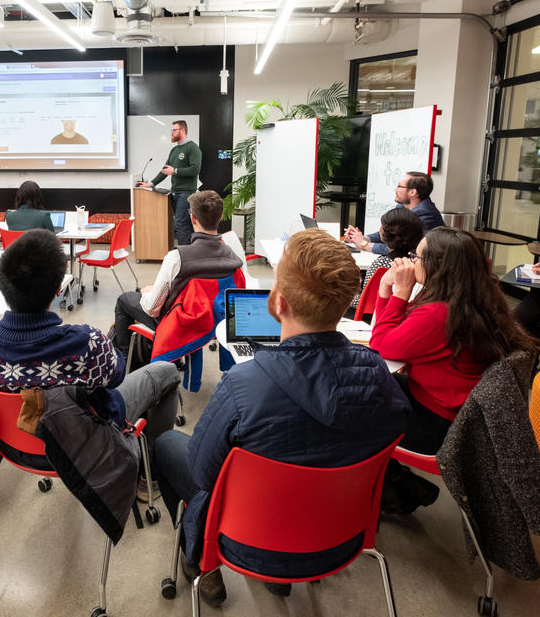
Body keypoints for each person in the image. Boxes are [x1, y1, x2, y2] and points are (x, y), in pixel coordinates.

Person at [148, 229, 409, 605]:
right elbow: (393, 433)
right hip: (338, 539)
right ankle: (274, 579)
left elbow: (204, 474)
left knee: (168, 444)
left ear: (278, 303)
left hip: (247, 543)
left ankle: (199, 561)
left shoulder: (244, 384)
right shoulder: (380, 377)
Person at [0, 229, 181, 476]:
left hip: (13, 447)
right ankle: (148, 474)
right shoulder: (85, 343)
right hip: (83, 446)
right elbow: (118, 375)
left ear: (2, 284)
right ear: (59, 289)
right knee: (166, 372)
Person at [369, 226, 540, 515]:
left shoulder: (439, 314)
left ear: (438, 267)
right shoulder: (475, 299)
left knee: (348, 409)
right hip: (457, 414)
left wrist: (395, 291)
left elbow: (382, 345)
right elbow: (401, 332)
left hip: (437, 425)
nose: (411, 263)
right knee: (363, 390)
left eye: (416, 257)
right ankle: (399, 485)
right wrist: (395, 293)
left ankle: (394, 490)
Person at [111, 190, 243, 357]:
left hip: (180, 324)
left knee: (124, 300)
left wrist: (146, 294)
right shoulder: (232, 256)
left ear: (192, 218)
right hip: (214, 321)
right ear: (220, 216)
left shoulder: (176, 258)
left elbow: (152, 309)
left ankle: (123, 358)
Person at [347, 206, 423, 318]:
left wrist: (346, 295)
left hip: (372, 317)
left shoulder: (382, 264)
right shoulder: (418, 263)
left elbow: (366, 302)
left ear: (385, 232)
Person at [345, 171, 442, 255]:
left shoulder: (426, 215)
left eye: (399, 186)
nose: (396, 189)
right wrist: (359, 238)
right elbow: (389, 232)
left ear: (412, 192)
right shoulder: (403, 205)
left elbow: (399, 249)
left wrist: (364, 244)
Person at [136, 119, 201, 245]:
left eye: (174, 130)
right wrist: (151, 184)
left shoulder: (192, 148)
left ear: (182, 130)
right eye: (171, 130)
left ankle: (184, 256)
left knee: (180, 223)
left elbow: (195, 169)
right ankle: (189, 252)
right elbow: (165, 170)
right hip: (175, 193)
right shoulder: (174, 150)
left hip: (187, 193)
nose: (171, 133)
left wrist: (175, 171)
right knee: (185, 224)